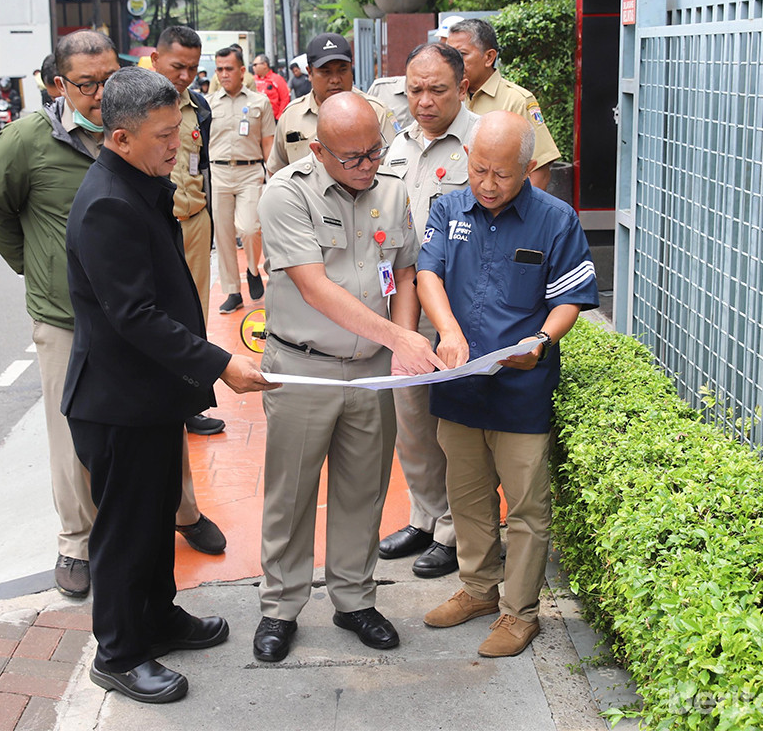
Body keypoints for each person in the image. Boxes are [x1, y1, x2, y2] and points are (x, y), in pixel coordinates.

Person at [0, 32, 229, 601]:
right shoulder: (35, 141)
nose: (99, 91)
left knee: (157, 448)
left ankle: (180, 520)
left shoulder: (145, 130)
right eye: (85, 83)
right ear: (58, 85)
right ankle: (77, 543)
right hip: (81, 321)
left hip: (144, 324)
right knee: (97, 455)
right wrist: (37, 266)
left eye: (108, 77)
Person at [61, 65, 277, 703]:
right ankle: (120, 653)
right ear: (120, 138)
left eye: (178, 130)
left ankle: (160, 618)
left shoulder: (139, 182)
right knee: (126, 531)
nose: (177, 145)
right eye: (162, 136)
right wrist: (219, 363)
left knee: (156, 517)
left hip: (148, 395)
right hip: (116, 401)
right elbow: (133, 316)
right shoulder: (106, 202)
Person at [253, 92, 444, 663]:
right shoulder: (286, 194)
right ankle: (280, 607)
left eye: (374, 152)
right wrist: (402, 340)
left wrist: (402, 346)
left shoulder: (390, 188)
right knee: (291, 493)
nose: (366, 165)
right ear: (318, 149)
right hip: (303, 369)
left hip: (371, 372)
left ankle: (354, 598)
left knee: (364, 489)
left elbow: (405, 270)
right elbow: (315, 287)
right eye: (352, 157)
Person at [417, 111, 597, 657]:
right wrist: (446, 330)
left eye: (502, 174)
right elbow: (428, 274)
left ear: (527, 169)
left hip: (521, 388)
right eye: (479, 170)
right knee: (466, 497)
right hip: (459, 383)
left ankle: (519, 614)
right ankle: (476, 589)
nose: (488, 184)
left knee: (525, 507)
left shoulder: (555, 219)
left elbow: (570, 297)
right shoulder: (448, 208)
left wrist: (540, 340)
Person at [378, 42, 480, 579]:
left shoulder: (481, 142)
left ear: (462, 88)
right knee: (411, 419)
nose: (423, 100)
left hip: (461, 311)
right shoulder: (398, 146)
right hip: (405, 302)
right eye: (413, 89)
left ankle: (456, 530)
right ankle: (425, 516)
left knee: (456, 426)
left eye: (436, 89)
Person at [149, 26, 226, 438]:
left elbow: (203, 168)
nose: (184, 76)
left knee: (193, 314)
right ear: (156, 59)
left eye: (193, 68)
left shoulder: (198, 107)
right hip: (151, 224)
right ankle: (157, 397)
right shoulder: (133, 104)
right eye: (178, 66)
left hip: (193, 222)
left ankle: (191, 401)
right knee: (152, 314)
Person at [445, 19, 560, 191]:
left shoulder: (517, 100)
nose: (453, 63)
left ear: (489, 57)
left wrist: (516, 217)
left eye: (461, 55)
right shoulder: (449, 98)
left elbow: (539, 172)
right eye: (449, 56)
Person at [267, 33, 399, 176]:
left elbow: (392, 168)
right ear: (310, 72)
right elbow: (276, 171)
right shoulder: (291, 116)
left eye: (342, 70)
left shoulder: (376, 111)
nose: (335, 80)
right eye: (326, 72)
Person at [207, 46, 275, 316]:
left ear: (242, 71)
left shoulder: (260, 102)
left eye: (229, 69)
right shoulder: (208, 104)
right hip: (219, 173)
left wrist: (273, 177)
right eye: (220, 69)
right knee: (223, 235)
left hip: (250, 172)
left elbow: (268, 142)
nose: (224, 74)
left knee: (249, 228)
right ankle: (233, 291)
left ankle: (251, 268)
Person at [252, 55, 290, 119]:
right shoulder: (253, 80)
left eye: (255, 65)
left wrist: (279, 117)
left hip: (273, 119)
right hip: (256, 118)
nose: (253, 67)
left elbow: (285, 99)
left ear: (264, 65)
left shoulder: (277, 79)